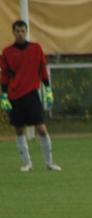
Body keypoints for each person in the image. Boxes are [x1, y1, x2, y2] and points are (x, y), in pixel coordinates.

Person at [1, 20, 60, 172]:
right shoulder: (7, 52)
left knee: (41, 129)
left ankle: (49, 162)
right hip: (15, 96)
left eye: (22, 31)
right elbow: (5, 76)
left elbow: (42, 69)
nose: (20, 34)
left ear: (26, 32)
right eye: (17, 31)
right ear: (13, 32)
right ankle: (27, 163)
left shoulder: (36, 48)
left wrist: (48, 89)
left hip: (31, 94)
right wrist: (4, 95)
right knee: (19, 130)